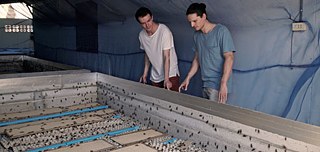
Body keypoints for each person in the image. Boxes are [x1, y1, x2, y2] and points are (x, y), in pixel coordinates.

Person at [179, 3, 236, 104]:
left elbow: (229, 57)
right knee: (206, 116)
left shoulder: (221, 31)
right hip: (205, 84)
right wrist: (187, 78)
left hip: (217, 86)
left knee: (214, 117)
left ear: (204, 16)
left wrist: (223, 83)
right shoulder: (197, 36)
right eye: (190, 22)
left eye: (194, 21)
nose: (192, 25)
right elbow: (197, 59)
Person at [135, 7, 180, 91]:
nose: (147, 25)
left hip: (170, 74)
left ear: (152, 17)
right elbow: (147, 54)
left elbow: (167, 56)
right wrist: (145, 74)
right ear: (140, 24)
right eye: (143, 23)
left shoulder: (164, 31)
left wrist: (166, 79)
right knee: (156, 102)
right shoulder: (141, 35)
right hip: (155, 76)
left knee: (173, 102)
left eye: (148, 21)